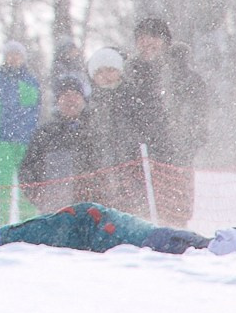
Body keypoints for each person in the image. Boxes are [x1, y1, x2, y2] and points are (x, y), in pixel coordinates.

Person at [127, 16, 205, 227]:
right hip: (138, 162)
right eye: (142, 37)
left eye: (154, 37)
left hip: (174, 160)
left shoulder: (186, 77)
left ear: (165, 41)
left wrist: (184, 146)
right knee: (138, 219)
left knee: (174, 220)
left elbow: (199, 120)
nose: (147, 42)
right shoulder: (129, 75)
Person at [86, 45, 163, 217]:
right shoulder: (91, 104)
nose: (105, 76)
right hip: (102, 168)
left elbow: (148, 129)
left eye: (110, 70)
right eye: (100, 72)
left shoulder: (133, 97)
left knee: (137, 211)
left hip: (133, 164)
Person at [17, 70, 93, 218]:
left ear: (83, 100)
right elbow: (27, 170)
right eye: (65, 96)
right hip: (54, 213)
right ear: (58, 101)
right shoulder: (45, 133)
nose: (71, 100)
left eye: (75, 95)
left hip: (92, 212)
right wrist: (38, 196)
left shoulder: (95, 130)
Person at [0, 40, 42, 221]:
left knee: (27, 185)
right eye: (10, 54)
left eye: (17, 54)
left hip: (26, 140)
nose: (14, 58)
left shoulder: (30, 81)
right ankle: (1, 224)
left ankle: (28, 223)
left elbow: (34, 110)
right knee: (3, 185)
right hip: (3, 139)